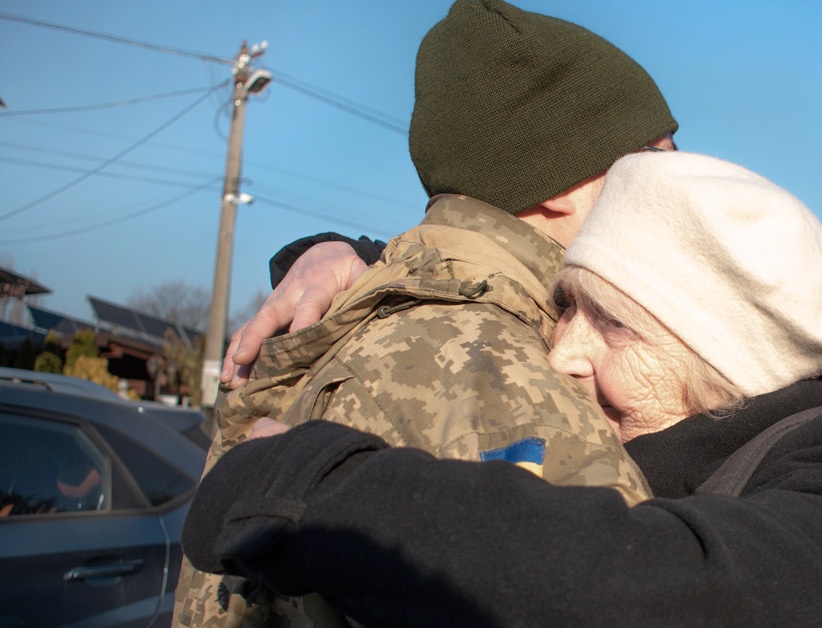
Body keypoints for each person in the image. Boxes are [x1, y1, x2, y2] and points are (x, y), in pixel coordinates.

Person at [183, 152, 822, 627]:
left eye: (612, 326)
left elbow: (654, 588)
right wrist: (349, 251)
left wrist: (307, 486)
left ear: (727, 361)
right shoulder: (701, 427)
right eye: (564, 307)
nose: (561, 356)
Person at [173, 1, 677, 625]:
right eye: (655, 157)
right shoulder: (513, 382)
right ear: (560, 185)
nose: (676, 182)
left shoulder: (356, 317)